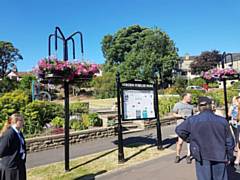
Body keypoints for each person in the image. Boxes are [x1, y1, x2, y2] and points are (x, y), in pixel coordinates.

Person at [176, 96, 234, 180]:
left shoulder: (192, 120)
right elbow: (229, 141)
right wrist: (230, 156)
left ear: (199, 107)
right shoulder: (222, 121)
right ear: (211, 106)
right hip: (219, 154)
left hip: (201, 155)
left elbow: (179, 130)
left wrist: (190, 139)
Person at [0, 113, 26, 180]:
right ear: (17, 121)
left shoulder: (19, 132)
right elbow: (1, 151)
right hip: (11, 167)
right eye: (22, 121)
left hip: (19, 165)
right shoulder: (9, 133)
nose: (23, 122)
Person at [172, 93, 194, 164]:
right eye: (189, 97)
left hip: (190, 126)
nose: (191, 98)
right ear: (185, 97)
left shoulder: (191, 106)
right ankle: (177, 155)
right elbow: (174, 114)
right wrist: (181, 116)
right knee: (180, 142)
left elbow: (193, 115)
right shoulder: (178, 104)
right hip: (181, 126)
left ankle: (188, 156)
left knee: (189, 141)